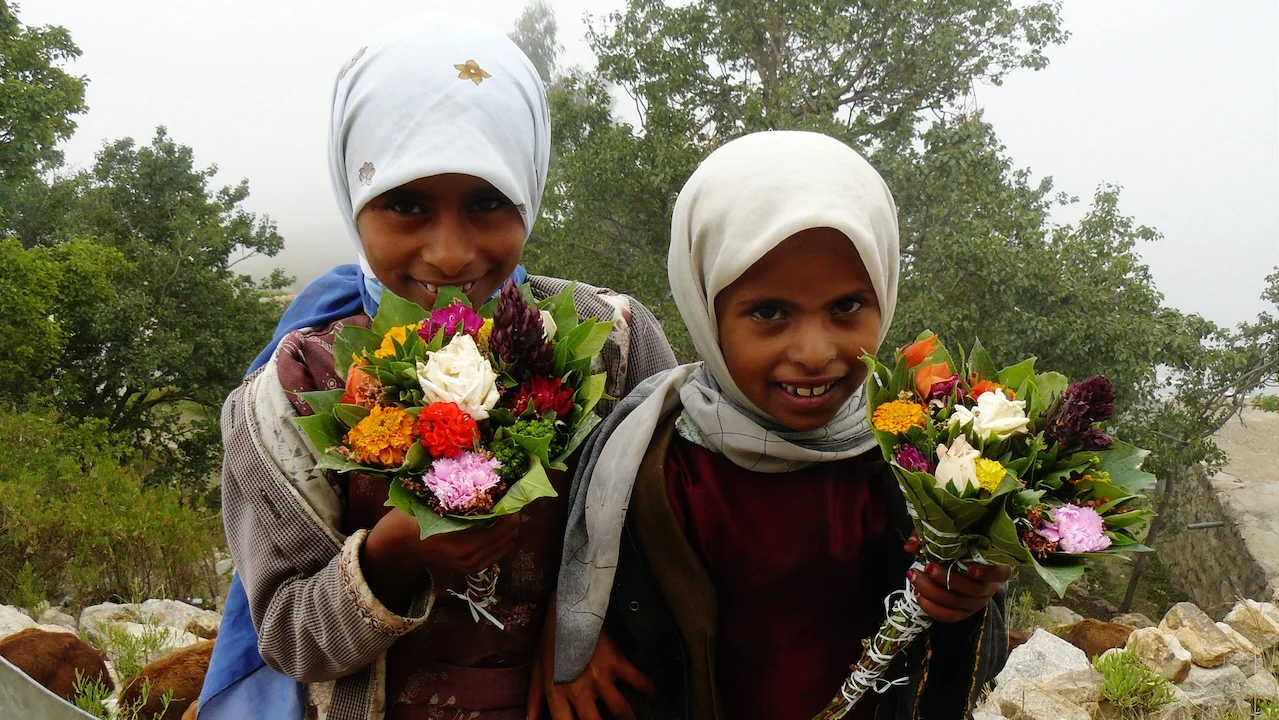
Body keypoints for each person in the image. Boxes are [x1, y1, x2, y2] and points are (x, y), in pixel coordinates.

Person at [196, 19, 677, 720]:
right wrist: (389, 561)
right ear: (353, 197)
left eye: (487, 202)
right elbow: (289, 637)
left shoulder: (610, 342)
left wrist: (584, 619)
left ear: (529, 190)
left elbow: (680, 522)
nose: (450, 254)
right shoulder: (296, 391)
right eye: (406, 205)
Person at [544, 131, 1008, 720]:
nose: (814, 353)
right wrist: (571, 634)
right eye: (769, 312)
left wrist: (967, 601)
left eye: (846, 307)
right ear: (706, 308)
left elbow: (963, 667)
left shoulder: (922, 456)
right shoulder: (653, 461)